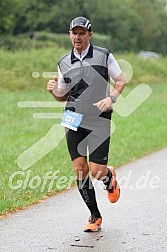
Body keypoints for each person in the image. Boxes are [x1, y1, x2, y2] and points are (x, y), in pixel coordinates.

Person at [47, 16, 126, 232]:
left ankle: (109, 176)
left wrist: (111, 98)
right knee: (79, 169)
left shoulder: (104, 55)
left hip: (99, 119)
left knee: (97, 171)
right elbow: (63, 96)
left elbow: (121, 80)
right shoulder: (63, 62)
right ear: (70, 35)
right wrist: (54, 91)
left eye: (82, 33)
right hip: (73, 118)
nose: (77, 37)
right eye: (74, 33)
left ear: (89, 35)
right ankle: (95, 216)